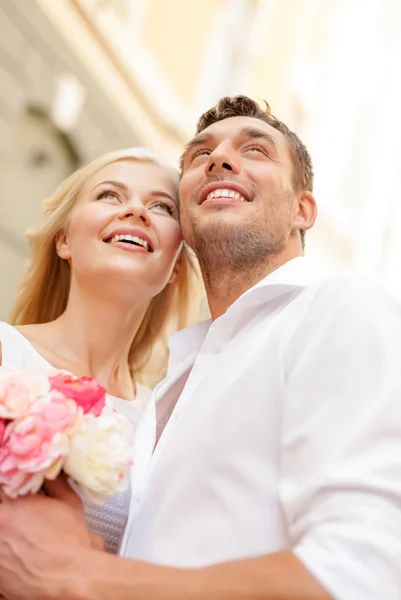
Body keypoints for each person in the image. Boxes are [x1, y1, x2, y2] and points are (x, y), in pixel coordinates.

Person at [1, 95, 401, 600]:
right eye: (198, 155)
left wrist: (75, 576)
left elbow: (364, 575)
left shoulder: (342, 310)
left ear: (303, 209)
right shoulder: (177, 383)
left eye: (255, 150)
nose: (219, 158)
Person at [0, 147, 197, 554]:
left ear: (175, 265)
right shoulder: (5, 353)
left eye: (162, 207)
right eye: (110, 195)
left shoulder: (163, 423)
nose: (136, 211)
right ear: (64, 240)